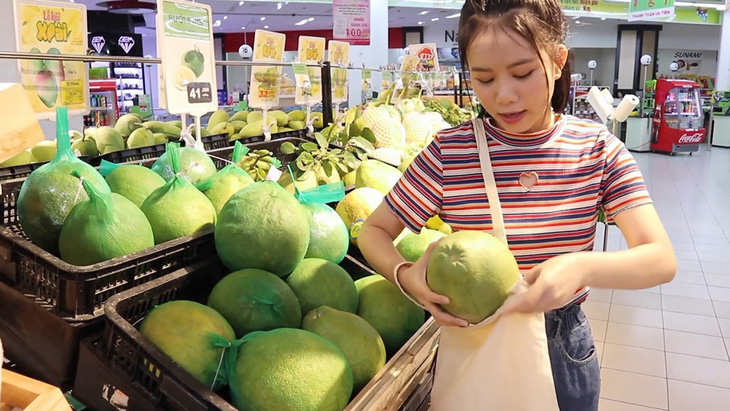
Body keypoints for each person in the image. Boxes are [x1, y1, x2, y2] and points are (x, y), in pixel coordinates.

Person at [357, 0, 676, 409]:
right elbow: (373, 230)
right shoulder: (450, 152)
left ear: (557, 61)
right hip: (475, 337)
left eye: (523, 73)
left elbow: (660, 258)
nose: (504, 96)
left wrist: (580, 266)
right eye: (484, 79)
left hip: (561, 346)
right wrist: (405, 276)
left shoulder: (596, 150)